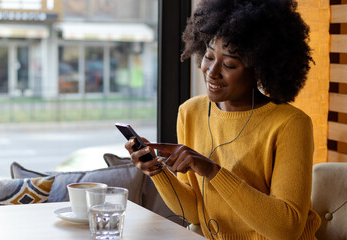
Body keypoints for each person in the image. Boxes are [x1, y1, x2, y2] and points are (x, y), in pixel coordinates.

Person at [125, 0, 321, 239]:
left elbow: (286, 229)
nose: (212, 71)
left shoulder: (290, 124)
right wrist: (156, 170)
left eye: (229, 64)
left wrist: (212, 171)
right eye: (208, 56)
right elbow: (194, 213)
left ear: (259, 68)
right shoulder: (190, 112)